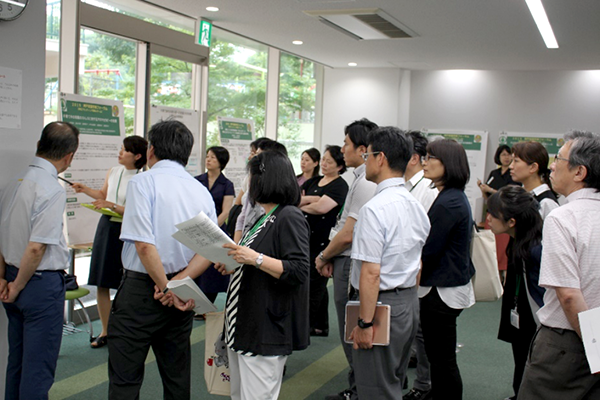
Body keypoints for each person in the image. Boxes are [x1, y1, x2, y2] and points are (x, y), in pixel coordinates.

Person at [107, 120, 218, 400]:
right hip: (181, 290)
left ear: (151, 150)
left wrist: (165, 286)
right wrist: (176, 284)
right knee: (176, 377)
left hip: (142, 292)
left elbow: (145, 246)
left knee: (125, 379)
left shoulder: (143, 182)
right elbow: (208, 248)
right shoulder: (200, 190)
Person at [215, 150, 310, 400]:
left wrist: (254, 259)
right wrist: (235, 263)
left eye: (252, 177)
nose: (248, 184)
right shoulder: (264, 217)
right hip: (244, 323)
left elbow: (299, 269)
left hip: (265, 326)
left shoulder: (289, 215)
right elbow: (259, 260)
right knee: (240, 394)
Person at [349, 126, 430, 399]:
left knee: (375, 387)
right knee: (393, 381)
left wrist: (363, 324)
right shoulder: (415, 204)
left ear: (380, 158)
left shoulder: (374, 209)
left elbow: (371, 273)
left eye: (367, 155)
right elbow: (417, 263)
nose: (365, 161)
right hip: (408, 302)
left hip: (380, 306)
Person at [0, 121, 80, 400]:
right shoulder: (51, 188)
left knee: (18, 363)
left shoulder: (14, 182)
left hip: (11, 278)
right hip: (37, 284)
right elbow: (36, 248)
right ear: (69, 156)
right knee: (38, 368)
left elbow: (3, 235)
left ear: (38, 146)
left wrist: (4, 279)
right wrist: (19, 285)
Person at [518, 131, 600, 400]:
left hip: (569, 343)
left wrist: (595, 348)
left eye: (558, 158)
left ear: (579, 172)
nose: (551, 165)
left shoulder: (563, 217)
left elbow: (568, 295)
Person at [316, 118, 378, 400]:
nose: (342, 149)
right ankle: (360, 385)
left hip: (350, 260)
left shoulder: (366, 181)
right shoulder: (360, 177)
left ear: (363, 149)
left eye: (346, 144)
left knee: (351, 325)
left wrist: (323, 255)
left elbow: (347, 233)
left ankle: (359, 388)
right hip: (344, 257)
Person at [72, 135, 148, 349]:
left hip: (128, 230)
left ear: (138, 156)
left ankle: (128, 329)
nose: (120, 153)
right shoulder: (113, 172)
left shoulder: (143, 178)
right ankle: (105, 331)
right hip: (106, 227)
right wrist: (85, 189)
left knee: (128, 281)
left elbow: (138, 211)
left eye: (124, 150)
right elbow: (103, 194)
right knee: (102, 280)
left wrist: (112, 206)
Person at [420, 138, 476, 400]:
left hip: (441, 290)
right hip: (444, 287)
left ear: (449, 164)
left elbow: (429, 249)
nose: (425, 162)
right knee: (438, 355)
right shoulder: (451, 197)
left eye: (432, 158)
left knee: (441, 358)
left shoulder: (449, 201)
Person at [487, 186, 545, 400]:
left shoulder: (536, 251)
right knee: (521, 360)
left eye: (493, 213)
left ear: (512, 221)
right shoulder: (518, 242)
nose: (488, 218)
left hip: (538, 324)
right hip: (521, 315)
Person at [402, 130, 439, 400]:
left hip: (418, 270)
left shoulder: (427, 189)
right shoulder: (403, 184)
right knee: (410, 330)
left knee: (422, 332)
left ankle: (424, 385)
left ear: (413, 158)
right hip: (403, 268)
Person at [300, 145, 349, 337]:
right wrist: (314, 199)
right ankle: (320, 325)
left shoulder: (340, 185)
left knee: (314, 285)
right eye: (324, 160)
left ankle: (307, 326)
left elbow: (321, 208)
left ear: (339, 166)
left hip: (323, 242)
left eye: (329, 161)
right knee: (314, 283)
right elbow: (298, 199)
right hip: (306, 238)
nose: (324, 164)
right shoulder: (314, 181)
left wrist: (308, 202)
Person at [194, 146, 235, 303]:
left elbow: (225, 212)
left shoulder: (227, 184)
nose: (208, 160)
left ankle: (208, 303)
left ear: (221, 162)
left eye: (213, 158)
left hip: (216, 229)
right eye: (207, 157)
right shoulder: (198, 180)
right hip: (197, 227)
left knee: (212, 269)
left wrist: (210, 228)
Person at [233, 139, 288, 243]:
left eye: (257, 155)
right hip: (246, 243)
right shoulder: (253, 185)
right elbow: (242, 216)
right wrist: (237, 245)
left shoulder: (287, 213)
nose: (252, 158)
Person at [478, 145, 519, 284]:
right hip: (492, 214)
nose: (506, 158)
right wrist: (483, 189)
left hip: (505, 217)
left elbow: (508, 195)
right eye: (503, 155)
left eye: (508, 155)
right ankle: (494, 281)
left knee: (504, 250)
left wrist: (491, 189)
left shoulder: (513, 174)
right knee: (492, 248)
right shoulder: (494, 174)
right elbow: (486, 197)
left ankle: (506, 280)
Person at [509, 141, 558, 219]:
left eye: (516, 161)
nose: (510, 166)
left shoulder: (546, 202)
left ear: (533, 167)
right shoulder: (521, 194)